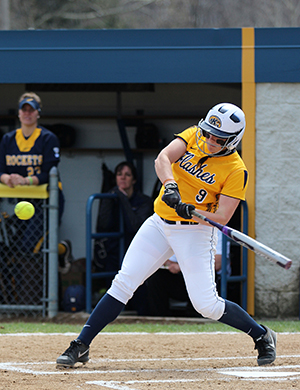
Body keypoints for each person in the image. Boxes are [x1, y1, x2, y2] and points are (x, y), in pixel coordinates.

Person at [56, 103, 276, 368]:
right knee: (124, 282)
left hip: (195, 232)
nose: (209, 141)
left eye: (218, 139)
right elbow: (162, 158)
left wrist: (191, 210)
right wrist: (170, 185)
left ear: (233, 141)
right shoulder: (194, 135)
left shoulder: (235, 170)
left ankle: (262, 335)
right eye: (208, 133)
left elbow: (223, 218)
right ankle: (81, 344)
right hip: (159, 224)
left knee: (206, 305)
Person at [0, 92, 73, 273]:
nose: (27, 113)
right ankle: (61, 249)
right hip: (22, 201)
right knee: (18, 246)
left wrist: (25, 181)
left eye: (31, 110)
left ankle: (62, 250)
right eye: (24, 110)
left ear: (38, 113)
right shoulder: (8, 139)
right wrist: (7, 179)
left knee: (29, 246)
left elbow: (50, 172)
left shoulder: (48, 138)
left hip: (47, 201)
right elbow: (1, 169)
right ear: (18, 113)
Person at [93, 161, 153, 314]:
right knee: (113, 289)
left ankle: (143, 319)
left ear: (134, 179)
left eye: (127, 175)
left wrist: (123, 199)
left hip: (136, 252)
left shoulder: (144, 201)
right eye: (119, 174)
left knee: (140, 293)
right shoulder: (111, 195)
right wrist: (112, 199)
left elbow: (134, 226)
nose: (123, 178)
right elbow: (102, 225)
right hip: (113, 253)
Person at [146, 230, 229, 317]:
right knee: (156, 277)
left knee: (204, 277)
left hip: (206, 278)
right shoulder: (180, 228)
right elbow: (168, 260)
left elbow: (217, 263)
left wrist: (181, 266)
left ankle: (196, 318)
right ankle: (159, 319)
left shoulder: (216, 230)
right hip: (182, 278)